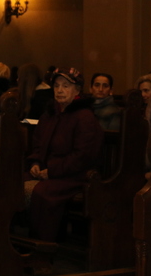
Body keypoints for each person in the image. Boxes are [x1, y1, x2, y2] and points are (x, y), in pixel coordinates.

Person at [25, 67, 103, 242]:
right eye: (56, 86)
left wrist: (51, 171)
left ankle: (43, 245)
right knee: (13, 183)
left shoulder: (84, 117)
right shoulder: (49, 115)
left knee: (42, 193)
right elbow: (37, 144)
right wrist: (35, 163)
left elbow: (82, 156)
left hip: (74, 176)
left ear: (77, 90)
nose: (60, 90)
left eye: (65, 86)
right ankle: (16, 241)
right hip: (48, 172)